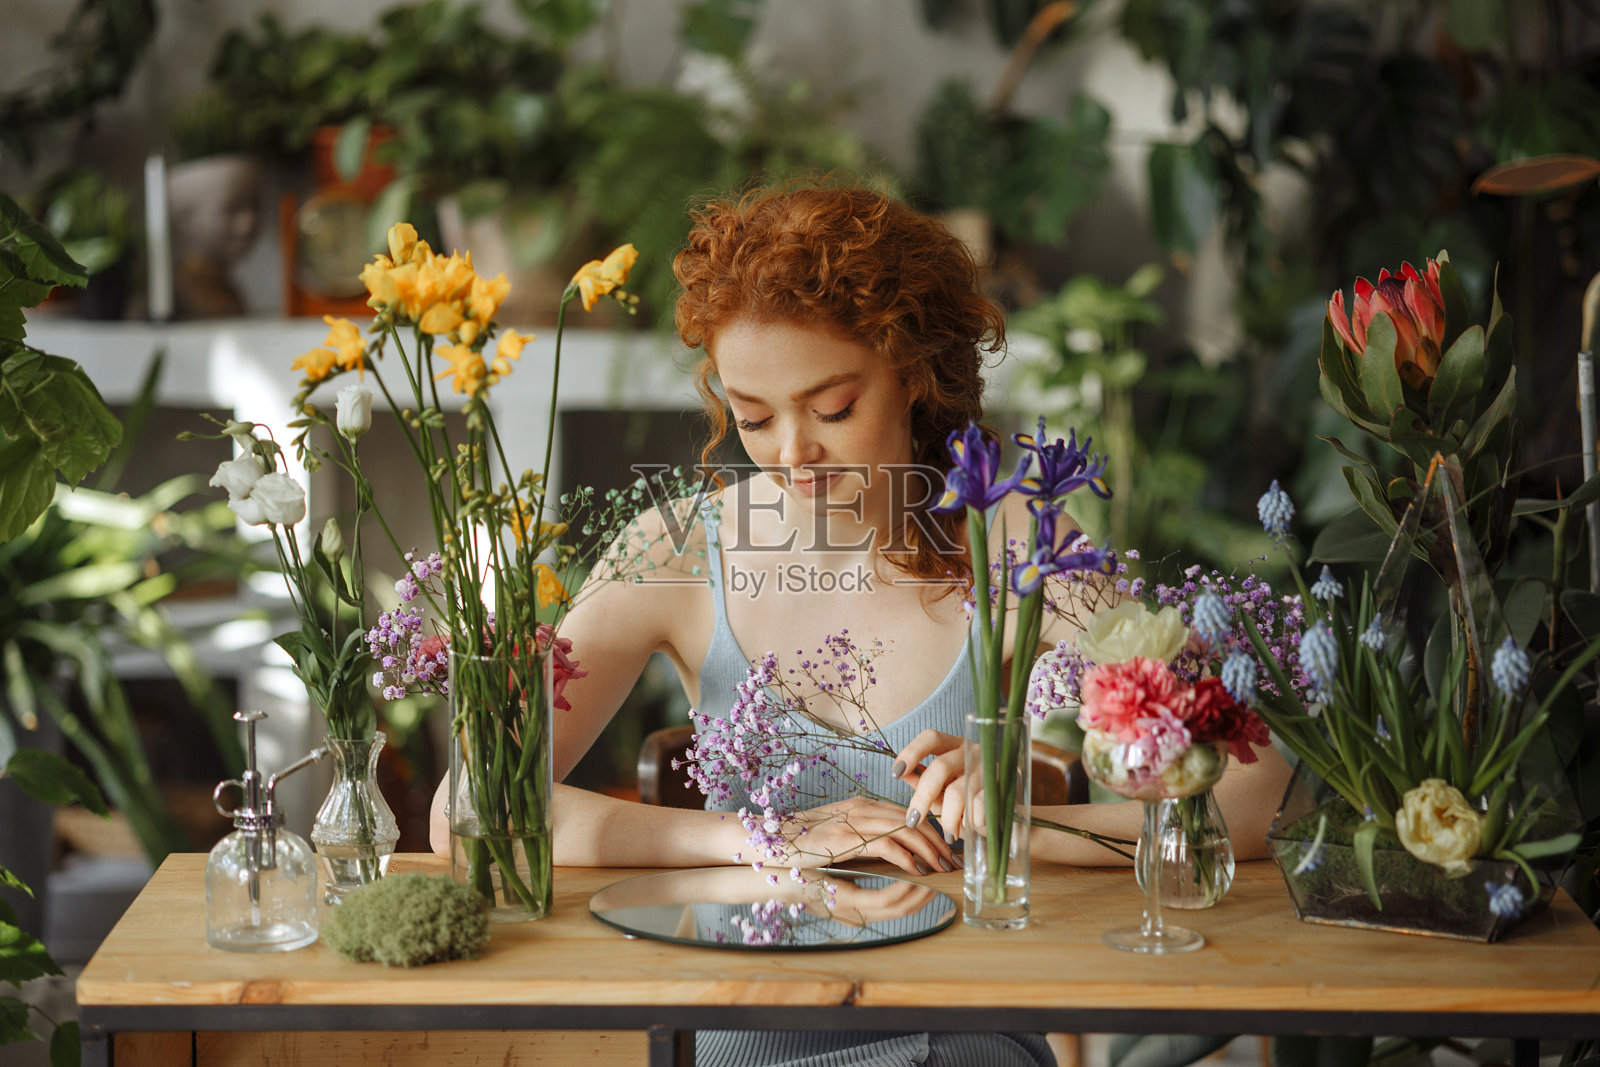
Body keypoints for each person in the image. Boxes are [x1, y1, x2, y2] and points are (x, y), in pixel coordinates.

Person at [431, 185, 1291, 1066]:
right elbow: (468, 807)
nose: (793, 453)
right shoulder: (680, 548)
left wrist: (1017, 818)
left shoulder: (1013, 539)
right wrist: (763, 838)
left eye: (833, 408)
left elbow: (1252, 794)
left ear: (916, 375)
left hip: (961, 1039)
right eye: (755, 418)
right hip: (748, 1040)